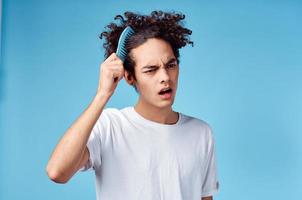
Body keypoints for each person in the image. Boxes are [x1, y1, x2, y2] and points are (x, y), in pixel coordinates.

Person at [46, 10, 219, 200]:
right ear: (129, 77)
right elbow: (57, 172)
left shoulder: (201, 132)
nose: (165, 78)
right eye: (151, 70)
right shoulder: (110, 126)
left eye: (171, 65)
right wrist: (102, 95)